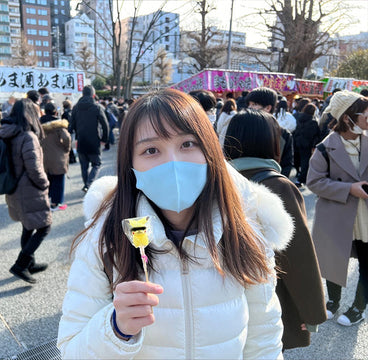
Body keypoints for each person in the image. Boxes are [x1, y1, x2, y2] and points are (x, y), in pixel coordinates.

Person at [57, 89, 293, 358]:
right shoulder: (105, 239)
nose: (173, 162)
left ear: (210, 149)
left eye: (187, 144)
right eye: (151, 150)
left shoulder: (246, 229)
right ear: (129, 165)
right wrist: (115, 329)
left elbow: (264, 340)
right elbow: (70, 350)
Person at [224, 109, 326, 350]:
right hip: (268, 298)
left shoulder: (217, 180)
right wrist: (311, 313)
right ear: (272, 142)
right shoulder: (278, 187)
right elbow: (298, 256)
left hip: (223, 300)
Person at [307, 91, 368, 326]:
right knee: (334, 260)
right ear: (347, 117)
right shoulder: (325, 147)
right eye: (365, 113)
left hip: (364, 216)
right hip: (336, 214)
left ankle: (358, 307)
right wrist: (348, 189)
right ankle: (332, 301)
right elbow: (314, 182)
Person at [0, 99, 52, 283]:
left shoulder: (8, 132)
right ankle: (20, 264)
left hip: (14, 187)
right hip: (29, 189)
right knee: (44, 226)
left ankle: (29, 263)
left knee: (28, 226)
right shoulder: (28, 136)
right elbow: (34, 168)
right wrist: (44, 183)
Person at [246, 87, 294, 178]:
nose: (249, 108)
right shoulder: (243, 128)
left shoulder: (283, 135)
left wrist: (278, 184)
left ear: (268, 108)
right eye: (249, 104)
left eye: (254, 104)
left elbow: (286, 164)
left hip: (271, 184)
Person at [71, 85, 109, 192]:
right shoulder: (97, 107)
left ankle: (86, 185)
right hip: (94, 141)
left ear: (82, 94)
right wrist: (104, 139)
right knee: (97, 164)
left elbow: (71, 125)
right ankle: (88, 184)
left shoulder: (75, 108)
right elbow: (105, 124)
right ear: (93, 95)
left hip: (81, 140)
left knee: (84, 166)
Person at [40, 102, 71, 211]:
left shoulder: (39, 124)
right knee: (58, 180)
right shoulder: (58, 125)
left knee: (47, 179)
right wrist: (66, 149)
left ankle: (46, 200)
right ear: (55, 112)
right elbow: (66, 137)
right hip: (58, 157)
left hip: (43, 156)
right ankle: (55, 204)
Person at [292, 103, 321, 187]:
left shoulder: (298, 118)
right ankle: (301, 179)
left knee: (296, 158)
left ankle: (298, 172)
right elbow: (316, 135)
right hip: (307, 144)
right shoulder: (313, 122)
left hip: (297, 141)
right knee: (305, 161)